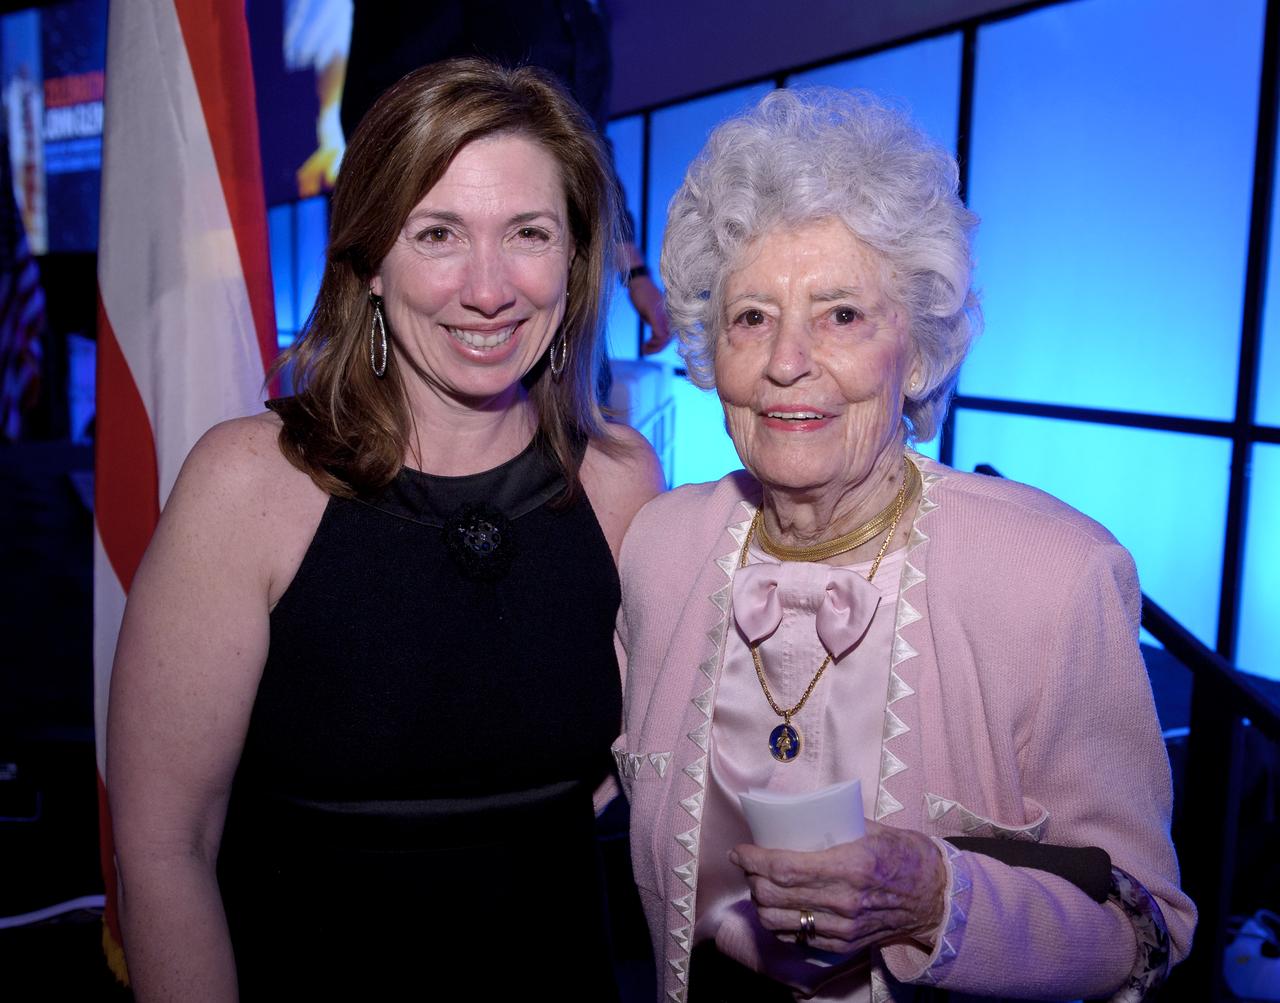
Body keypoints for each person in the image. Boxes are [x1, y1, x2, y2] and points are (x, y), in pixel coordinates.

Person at [614, 87, 1195, 1002]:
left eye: (841, 314)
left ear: (917, 354)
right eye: (751, 317)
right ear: (709, 352)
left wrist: (936, 902)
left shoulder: (1055, 575)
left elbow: (1146, 926)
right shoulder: (663, 547)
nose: (786, 360)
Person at [107, 58, 663, 1000]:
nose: (488, 289)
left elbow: (649, 780)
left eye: (528, 233)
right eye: (437, 233)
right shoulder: (247, 485)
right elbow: (165, 847)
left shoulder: (623, 484)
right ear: (370, 262)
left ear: (573, 261)